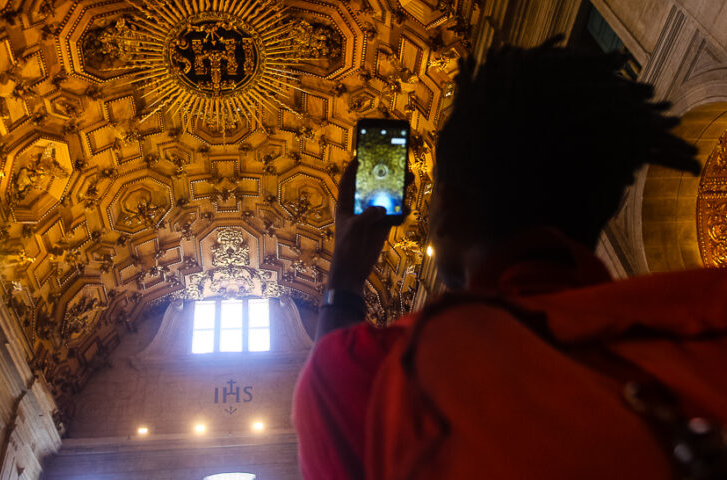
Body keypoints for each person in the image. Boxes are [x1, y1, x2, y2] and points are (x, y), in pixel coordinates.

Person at [292, 38, 727, 479]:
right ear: (600, 206)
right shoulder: (709, 306)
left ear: (450, 209)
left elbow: (336, 384)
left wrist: (344, 278)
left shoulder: (401, 367)